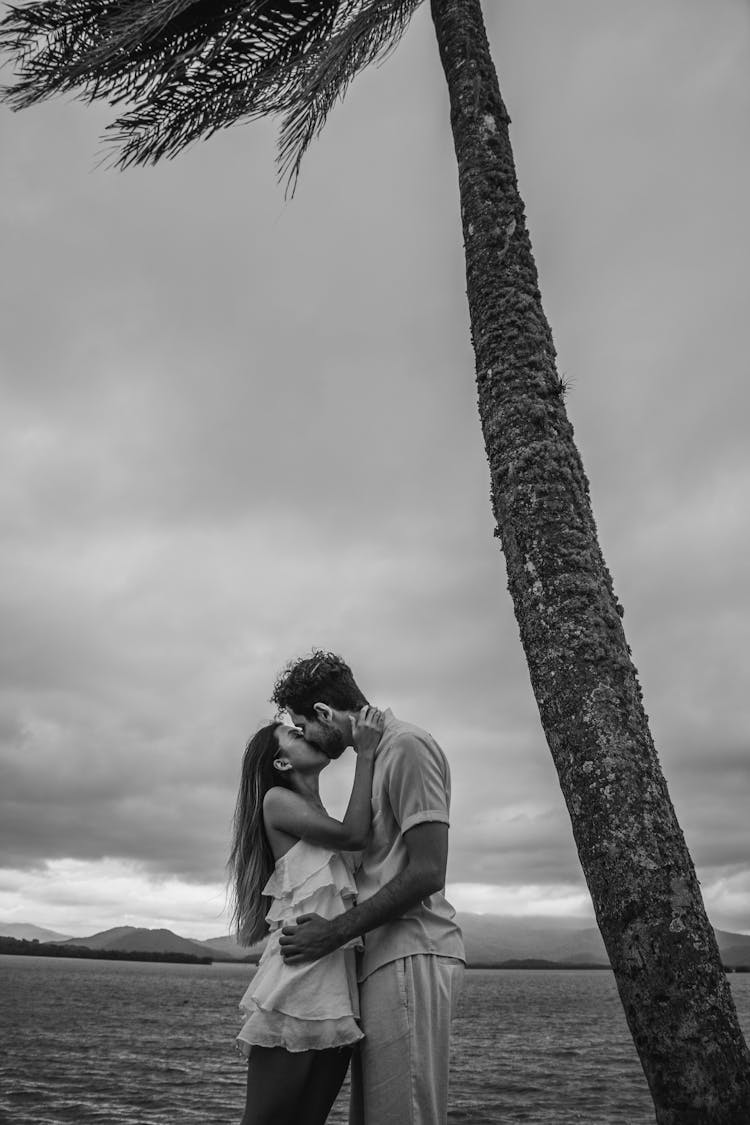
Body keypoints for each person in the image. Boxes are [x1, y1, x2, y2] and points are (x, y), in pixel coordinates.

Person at [271, 651, 465, 1125]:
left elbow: (427, 871)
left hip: (410, 949)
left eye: (303, 726)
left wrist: (332, 933)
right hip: (380, 959)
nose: (306, 737)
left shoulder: (406, 747)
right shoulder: (374, 757)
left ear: (323, 713)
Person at [228, 707, 385, 1125]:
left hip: (335, 987)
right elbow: (355, 834)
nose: (307, 736)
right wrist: (365, 754)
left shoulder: (318, 814)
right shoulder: (277, 801)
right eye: (295, 735)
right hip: (297, 980)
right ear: (282, 762)